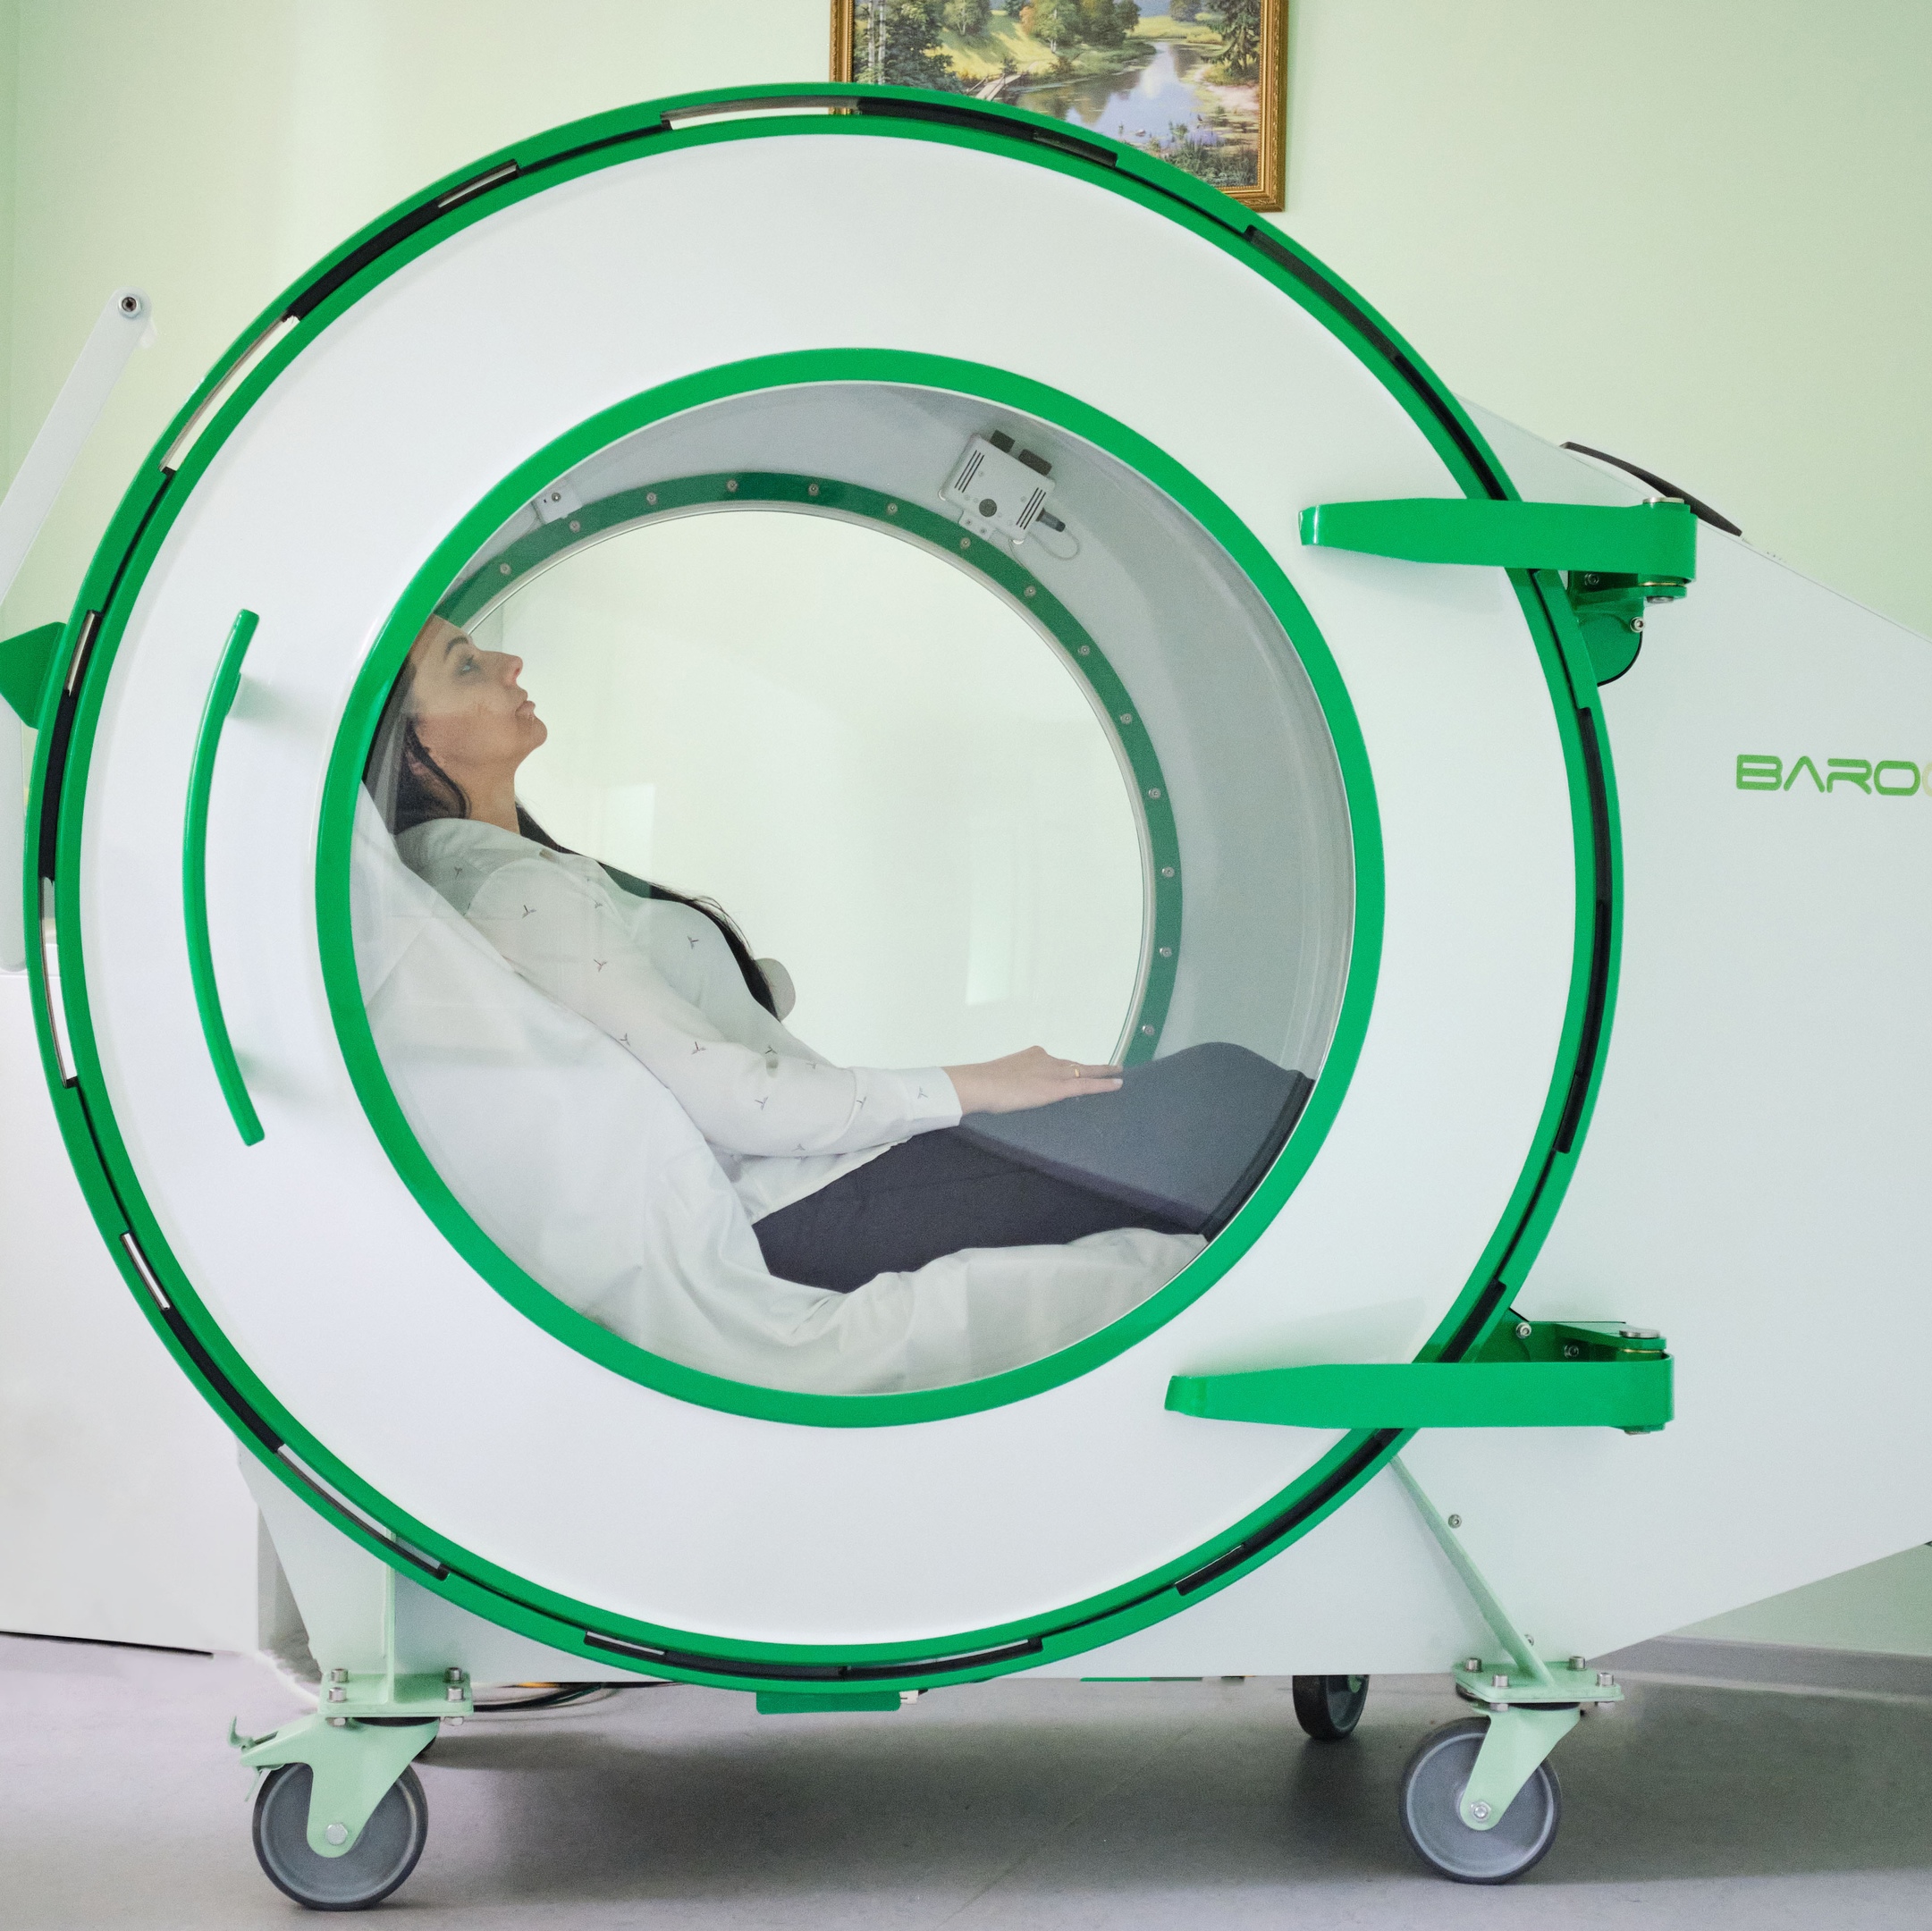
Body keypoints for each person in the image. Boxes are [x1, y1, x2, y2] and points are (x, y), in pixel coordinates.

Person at [366, 615, 1190, 1292]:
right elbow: (734, 1101)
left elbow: (646, 1053)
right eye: (465, 667)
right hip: (791, 1208)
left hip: (799, 1192)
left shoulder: (494, 878)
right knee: (1211, 1105)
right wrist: (976, 1086)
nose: (509, 663)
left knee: (1196, 1114)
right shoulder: (508, 888)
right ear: (408, 744)